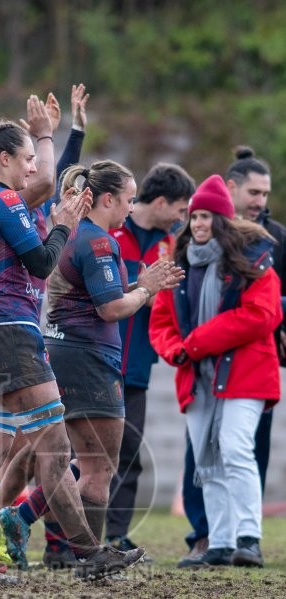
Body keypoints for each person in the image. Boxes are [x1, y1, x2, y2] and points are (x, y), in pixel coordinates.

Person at [0, 119, 144, 585]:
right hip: (11, 334)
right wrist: (61, 226)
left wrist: (48, 135)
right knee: (54, 450)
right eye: (28, 158)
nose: (35, 168)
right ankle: (89, 554)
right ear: (5, 160)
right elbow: (40, 260)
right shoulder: (5, 199)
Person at [42, 161, 183, 544]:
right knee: (100, 467)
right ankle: (90, 556)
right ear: (107, 199)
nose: (130, 208)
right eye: (128, 200)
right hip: (89, 358)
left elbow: (100, 296)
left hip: (64, 351)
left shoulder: (71, 233)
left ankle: (52, 542)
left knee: (72, 462)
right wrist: (147, 288)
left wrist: (139, 283)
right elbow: (111, 309)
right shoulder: (100, 241)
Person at [150, 174, 281, 568]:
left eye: (207, 216)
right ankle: (220, 543)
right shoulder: (177, 267)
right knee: (208, 459)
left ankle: (249, 538)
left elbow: (262, 316)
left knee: (236, 448)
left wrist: (196, 343)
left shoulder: (255, 263)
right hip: (197, 376)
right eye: (195, 216)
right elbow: (161, 322)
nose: (199, 223)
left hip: (247, 374)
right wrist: (176, 351)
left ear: (223, 219)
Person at [102, 163, 195, 555]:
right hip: (95, 360)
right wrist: (141, 288)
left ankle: (116, 535)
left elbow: (173, 299)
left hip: (137, 367)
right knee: (78, 452)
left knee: (129, 454)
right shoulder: (108, 230)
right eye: (180, 208)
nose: (183, 217)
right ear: (159, 202)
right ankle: (69, 537)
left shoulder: (173, 244)